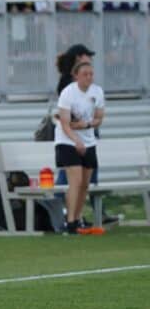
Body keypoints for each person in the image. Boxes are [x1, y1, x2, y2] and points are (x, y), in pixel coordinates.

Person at [55, 60, 105, 235]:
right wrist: (76, 141)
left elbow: (99, 118)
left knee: (85, 184)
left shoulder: (97, 92)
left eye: (91, 74)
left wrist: (86, 125)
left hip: (89, 141)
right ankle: (70, 222)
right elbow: (65, 123)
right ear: (76, 76)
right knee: (74, 182)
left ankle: (77, 219)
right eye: (85, 74)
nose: (89, 77)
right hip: (67, 141)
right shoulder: (68, 93)